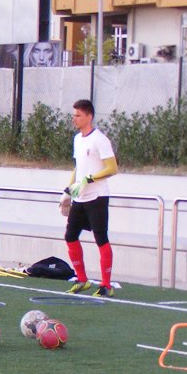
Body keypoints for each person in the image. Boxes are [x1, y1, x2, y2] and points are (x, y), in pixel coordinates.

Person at [59, 99, 118, 298]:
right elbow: (78, 168)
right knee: (70, 236)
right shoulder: (77, 139)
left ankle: (106, 285)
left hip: (97, 196)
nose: (74, 118)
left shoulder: (100, 140)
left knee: (101, 239)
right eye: (73, 115)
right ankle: (82, 279)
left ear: (89, 117)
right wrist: (68, 191)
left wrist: (89, 179)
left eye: (78, 115)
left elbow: (112, 168)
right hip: (80, 198)